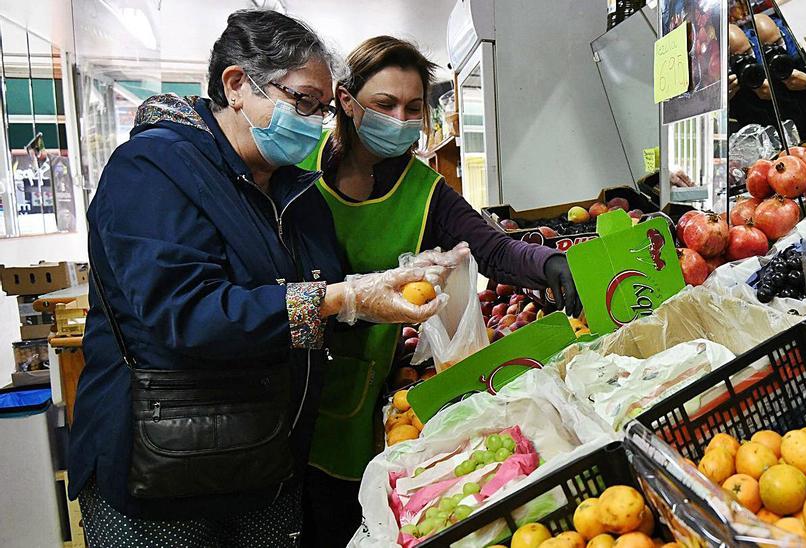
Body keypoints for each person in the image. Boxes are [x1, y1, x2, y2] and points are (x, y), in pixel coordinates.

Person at [71, 10, 449, 546]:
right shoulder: (154, 169)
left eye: (322, 108)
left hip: (266, 462)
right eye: (302, 101)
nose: (316, 121)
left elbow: (316, 305)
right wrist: (338, 297)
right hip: (166, 471)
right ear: (236, 85)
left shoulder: (295, 192)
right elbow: (186, 316)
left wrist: (374, 297)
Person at [296, 36, 582, 545]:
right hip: (288, 383)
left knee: (337, 522)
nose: (399, 119)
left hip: (359, 397)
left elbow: (493, 250)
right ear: (346, 100)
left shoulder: (424, 191)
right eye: (384, 105)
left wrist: (552, 263)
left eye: (413, 107)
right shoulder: (299, 168)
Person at [731, 15, 806, 142]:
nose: (774, 52)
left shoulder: (794, 59)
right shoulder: (741, 84)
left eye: (778, 43)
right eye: (739, 59)